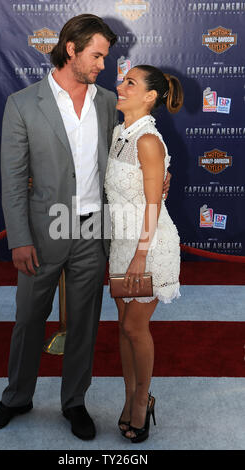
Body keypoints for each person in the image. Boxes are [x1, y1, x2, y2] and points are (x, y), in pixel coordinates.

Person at [0, 15, 170, 440]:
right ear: (71, 50)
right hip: (43, 232)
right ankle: (16, 398)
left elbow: (130, 156)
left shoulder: (106, 102)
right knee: (29, 318)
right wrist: (20, 239)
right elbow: (12, 177)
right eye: (97, 55)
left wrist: (158, 178)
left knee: (84, 321)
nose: (103, 64)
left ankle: (74, 402)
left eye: (105, 56)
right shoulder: (24, 103)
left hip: (94, 233)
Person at [105, 65, 183, 443]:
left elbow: (153, 204)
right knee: (123, 328)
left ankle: (141, 402)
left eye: (129, 83)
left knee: (136, 328)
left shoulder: (148, 141)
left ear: (150, 96)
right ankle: (129, 396)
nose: (120, 86)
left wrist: (139, 255)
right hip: (123, 244)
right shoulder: (121, 132)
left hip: (149, 247)